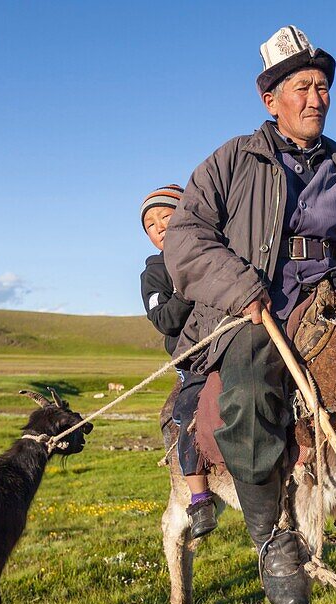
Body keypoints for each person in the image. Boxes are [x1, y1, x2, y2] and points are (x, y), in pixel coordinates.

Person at [164, 26, 336, 604]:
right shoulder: (231, 161)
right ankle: (271, 540)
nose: (316, 98)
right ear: (270, 99)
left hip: (328, 302)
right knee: (249, 392)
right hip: (253, 309)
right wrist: (240, 286)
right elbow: (185, 239)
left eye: (322, 86)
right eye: (301, 86)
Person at [139, 184, 218, 539]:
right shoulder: (154, 274)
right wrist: (187, 288)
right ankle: (200, 498)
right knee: (186, 413)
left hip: (231, 345)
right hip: (195, 360)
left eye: (166, 218)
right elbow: (165, 320)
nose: (159, 227)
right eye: (150, 225)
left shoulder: (214, 253)